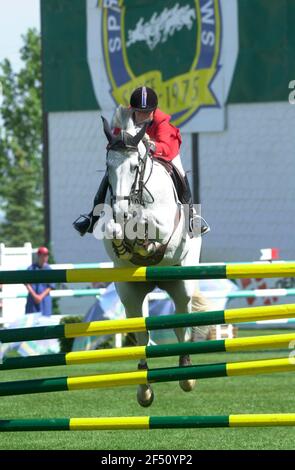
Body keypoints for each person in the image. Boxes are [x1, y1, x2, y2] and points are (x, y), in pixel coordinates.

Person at [73, 86, 209, 237]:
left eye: (148, 112)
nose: (144, 116)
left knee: (180, 173)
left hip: (165, 153)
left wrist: (150, 144)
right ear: (133, 110)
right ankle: (93, 216)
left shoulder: (161, 121)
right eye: (140, 112)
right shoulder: (124, 117)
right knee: (109, 175)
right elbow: (117, 139)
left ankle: (192, 218)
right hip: (134, 155)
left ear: (154, 110)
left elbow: (166, 147)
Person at [25, 246, 55, 316]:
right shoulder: (31, 268)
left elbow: (51, 286)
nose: (45, 257)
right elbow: (26, 283)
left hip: (44, 299)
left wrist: (40, 297)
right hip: (32, 299)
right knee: (31, 321)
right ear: (38, 256)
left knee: (45, 322)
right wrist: (35, 296)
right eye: (43, 255)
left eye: (46, 255)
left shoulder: (49, 269)